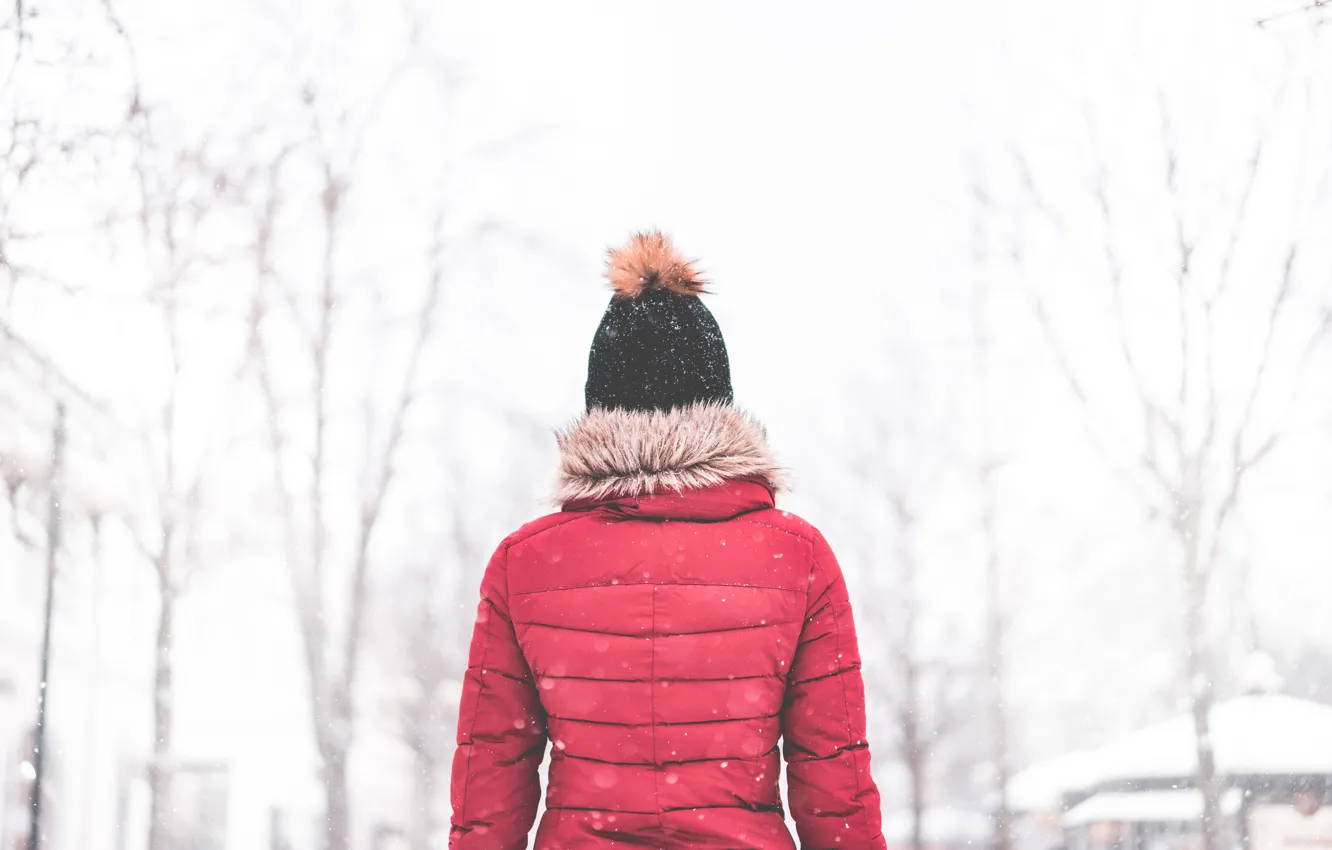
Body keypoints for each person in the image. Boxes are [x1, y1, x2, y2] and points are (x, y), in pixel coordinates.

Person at [449, 232, 885, 849]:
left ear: (598, 409)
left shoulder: (525, 563)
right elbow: (832, 768)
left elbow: (491, 764)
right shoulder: (797, 555)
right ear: (720, 405)